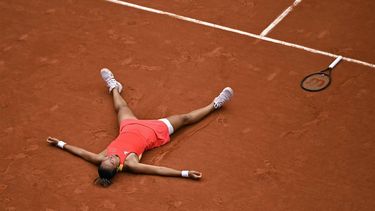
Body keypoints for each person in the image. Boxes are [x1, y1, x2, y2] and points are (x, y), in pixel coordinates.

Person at [47, 68, 233, 187]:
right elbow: (158, 170)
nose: (110, 156)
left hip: (129, 126)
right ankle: (215, 104)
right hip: (154, 131)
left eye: (107, 158)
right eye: (111, 161)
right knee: (184, 119)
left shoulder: (100, 158)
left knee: (121, 107)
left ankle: (114, 87)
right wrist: (184, 173)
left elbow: (80, 152)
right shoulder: (130, 164)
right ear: (116, 168)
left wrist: (60, 143)